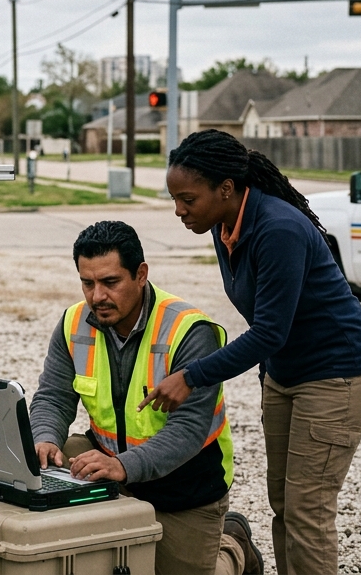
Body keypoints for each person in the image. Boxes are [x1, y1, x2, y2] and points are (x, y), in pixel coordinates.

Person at [144, 129, 361, 575]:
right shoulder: (224, 227)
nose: (179, 210)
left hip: (338, 372)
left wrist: (191, 375)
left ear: (227, 189)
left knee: (308, 511)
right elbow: (266, 324)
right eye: (175, 198)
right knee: (283, 502)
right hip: (284, 374)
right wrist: (266, 377)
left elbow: (269, 332)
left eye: (188, 199)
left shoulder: (279, 229)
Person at [31, 221, 262, 575]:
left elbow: (188, 430)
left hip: (185, 486)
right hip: (112, 467)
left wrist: (124, 466)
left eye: (110, 282)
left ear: (140, 275)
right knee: (64, 459)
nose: (97, 297)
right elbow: (53, 397)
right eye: (87, 283)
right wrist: (44, 437)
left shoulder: (190, 331)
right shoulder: (73, 323)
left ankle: (233, 547)